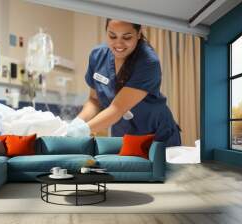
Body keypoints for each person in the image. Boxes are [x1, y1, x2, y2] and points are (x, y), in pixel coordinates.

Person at [66, 19, 181, 147]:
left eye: (127, 37)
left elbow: (118, 108)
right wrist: (78, 122)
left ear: (138, 34)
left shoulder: (148, 61)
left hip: (156, 135)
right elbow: (94, 100)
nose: (118, 43)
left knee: (158, 166)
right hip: (125, 136)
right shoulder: (98, 55)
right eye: (112, 36)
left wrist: (84, 130)